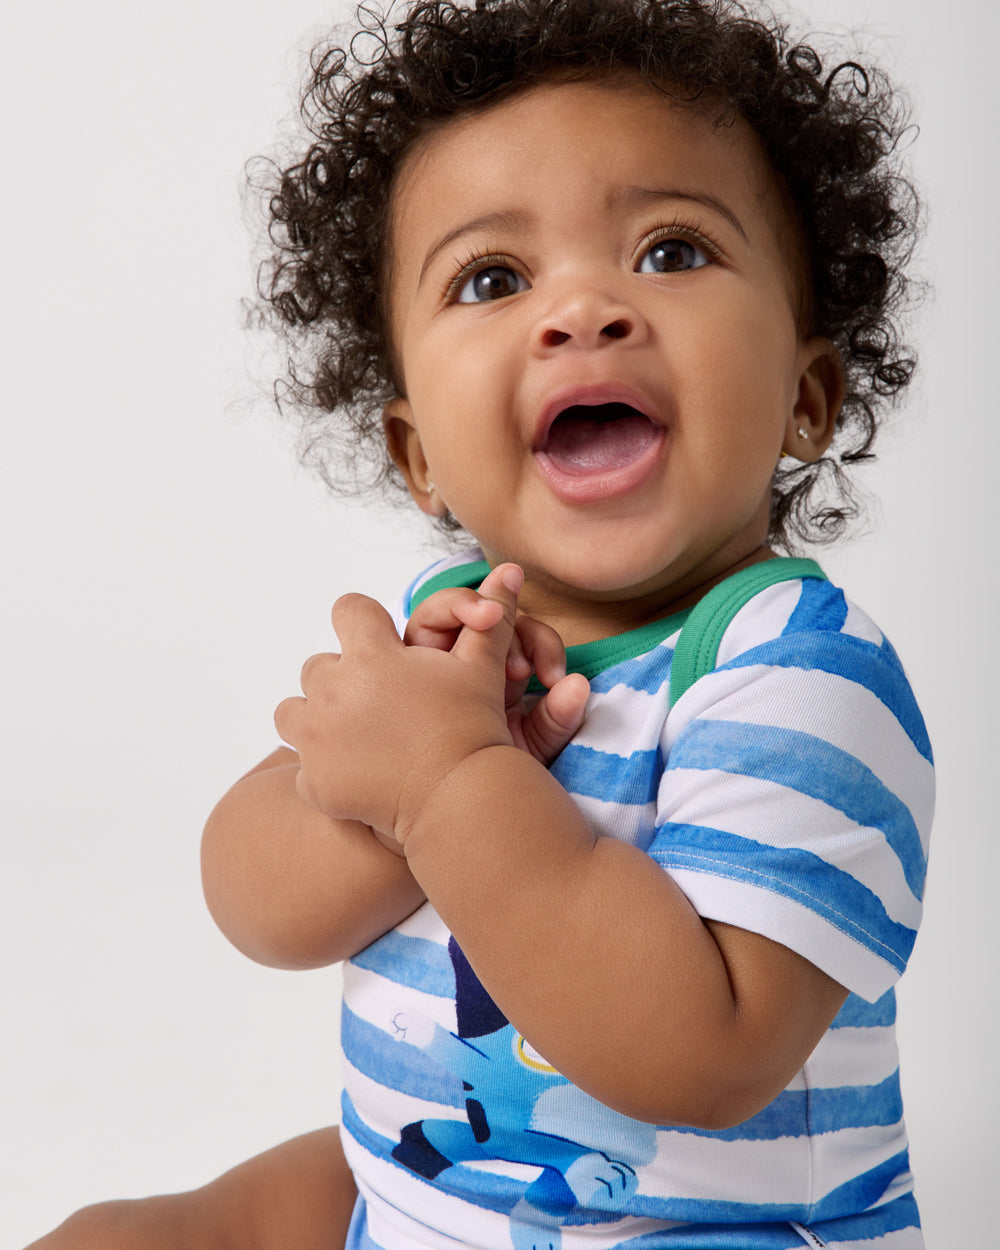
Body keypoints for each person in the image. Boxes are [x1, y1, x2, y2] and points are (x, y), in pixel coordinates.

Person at [28, 0, 932, 1247]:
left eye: (670, 251)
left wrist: (456, 782)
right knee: (125, 1231)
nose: (583, 312)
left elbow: (703, 1056)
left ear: (807, 397)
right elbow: (255, 903)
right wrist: (392, 781)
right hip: (425, 1186)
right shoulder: (444, 645)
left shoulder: (796, 671)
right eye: (492, 279)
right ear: (419, 460)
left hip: (693, 1227)